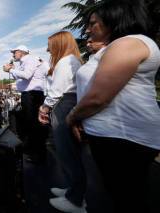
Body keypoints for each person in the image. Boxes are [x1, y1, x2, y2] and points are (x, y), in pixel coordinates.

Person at [66, 1, 160, 212]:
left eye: (94, 23)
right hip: (114, 136)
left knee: (126, 199)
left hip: (122, 139)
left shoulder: (129, 44)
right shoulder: (119, 46)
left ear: (114, 21)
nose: (88, 29)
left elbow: (98, 97)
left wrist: (72, 117)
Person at [38, 31, 85, 212]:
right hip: (67, 103)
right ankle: (73, 191)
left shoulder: (65, 62)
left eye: (50, 45)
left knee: (67, 153)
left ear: (59, 44)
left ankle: (76, 200)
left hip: (63, 103)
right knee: (69, 152)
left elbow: (56, 91)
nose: (48, 49)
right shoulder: (72, 60)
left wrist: (44, 108)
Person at [3, 45, 49, 163]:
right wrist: (14, 70)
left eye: (14, 52)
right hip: (29, 95)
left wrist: (11, 70)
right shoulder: (27, 61)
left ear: (21, 52)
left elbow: (27, 75)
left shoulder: (30, 59)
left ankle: (38, 154)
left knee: (34, 125)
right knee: (31, 124)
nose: (13, 54)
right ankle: (33, 150)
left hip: (32, 95)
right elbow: (22, 81)